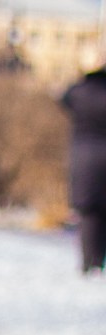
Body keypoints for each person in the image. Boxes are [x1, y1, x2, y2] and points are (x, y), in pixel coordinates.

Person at [61, 64, 106, 275]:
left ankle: (89, 263)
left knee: (88, 211)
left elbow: (63, 98)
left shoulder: (80, 91)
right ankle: (99, 261)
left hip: (84, 157)